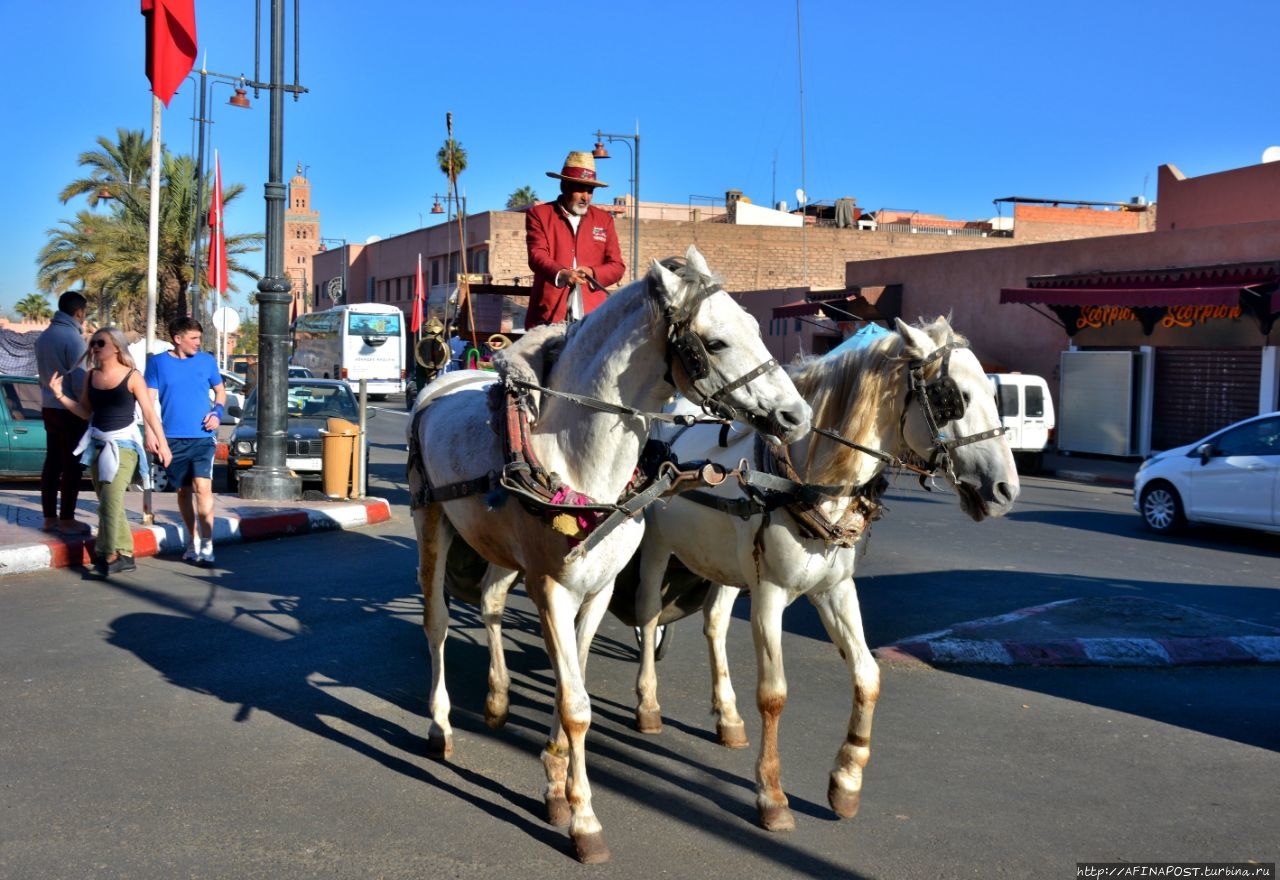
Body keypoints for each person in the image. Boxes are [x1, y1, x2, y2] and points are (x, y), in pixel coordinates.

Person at [48, 328, 171, 576]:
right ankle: (126, 554)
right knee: (109, 502)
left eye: (100, 343)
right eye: (92, 343)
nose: (94, 347)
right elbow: (85, 411)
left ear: (116, 346)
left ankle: (107, 555)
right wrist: (59, 395)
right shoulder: (90, 376)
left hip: (124, 446)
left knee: (109, 502)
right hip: (96, 445)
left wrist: (163, 444)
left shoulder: (133, 376)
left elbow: (149, 412)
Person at [144, 317, 226, 567]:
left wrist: (217, 413)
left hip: (203, 437)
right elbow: (148, 402)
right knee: (183, 491)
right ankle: (192, 541)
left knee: (203, 488)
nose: (198, 343)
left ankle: (208, 543)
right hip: (172, 439)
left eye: (199, 338)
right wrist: (150, 433)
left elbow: (220, 392)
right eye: (193, 338)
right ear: (177, 339)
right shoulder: (157, 363)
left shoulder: (206, 361)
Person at [524, 150, 626, 328]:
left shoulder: (604, 220)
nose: (585, 197)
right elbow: (537, 256)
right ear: (564, 186)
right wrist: (562, 273)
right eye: (580, 189)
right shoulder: (539, 215)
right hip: (548, 316)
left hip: (594, 319)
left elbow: (617, 266)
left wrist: (593, 273)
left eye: (590, 190)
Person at [35, 291, 91, 535]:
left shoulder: (44, 337)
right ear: (79, 312)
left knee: (52, 463)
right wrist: (86, 408)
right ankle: (67, 518)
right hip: (69, 408)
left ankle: (49, 517)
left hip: (49, 406)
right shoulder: (73, 338)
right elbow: (79, 380)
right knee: (72, 466)